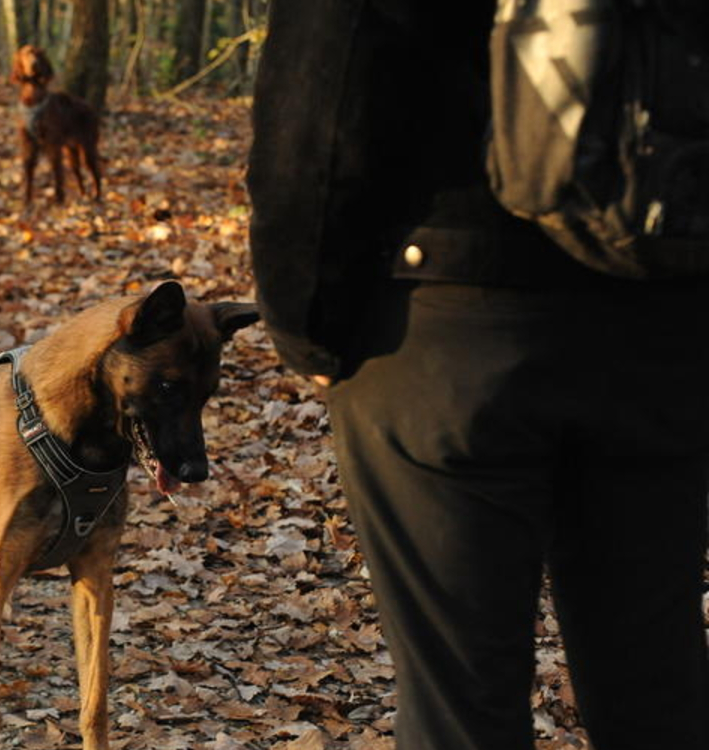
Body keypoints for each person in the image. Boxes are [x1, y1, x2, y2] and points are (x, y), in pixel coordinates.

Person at [246, 2, 709, 749]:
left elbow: (325, 77)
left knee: (459, 708)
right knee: (660, 696)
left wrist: (309, 322)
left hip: (443, 323)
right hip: (664, 306)